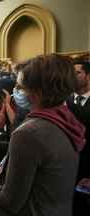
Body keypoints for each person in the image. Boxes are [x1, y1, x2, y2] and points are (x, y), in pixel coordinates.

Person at [0, 54, 85, 216]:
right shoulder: (66, 121)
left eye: (21, 87)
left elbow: (10, 201)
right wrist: (4, 169)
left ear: (36, 91)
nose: (18, 92)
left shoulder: (29, 132)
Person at [66, 60, 90, 215]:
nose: (72, 77)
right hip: (65, 171)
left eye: (77, 73)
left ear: (88, 76)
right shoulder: (64, 102)